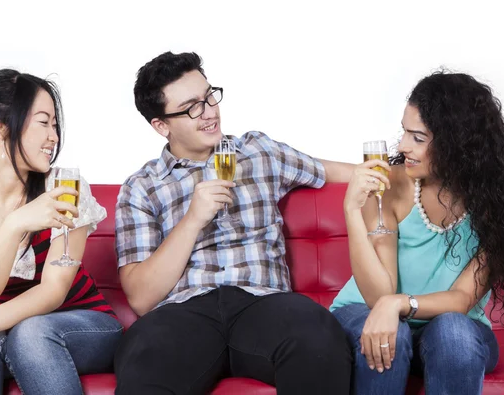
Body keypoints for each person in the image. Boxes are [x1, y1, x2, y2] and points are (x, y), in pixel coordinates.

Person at [113, 51, 355, 394]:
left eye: (209, 96)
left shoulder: (259, 151)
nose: (210, 112)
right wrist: (193, 220)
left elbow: (337, 172)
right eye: (192, 107)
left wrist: (409, 173)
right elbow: (140, 297)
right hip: (184, 312)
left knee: (318, 336)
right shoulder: (142, 187)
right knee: (143, 363)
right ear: (161, 125)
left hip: (264, 301)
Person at [0, 69, 123, 394]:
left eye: (55, 125)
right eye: (43, 123)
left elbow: (54, 291)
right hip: (8, 328)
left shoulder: (64, 189)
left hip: (85, 323)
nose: (54, 137)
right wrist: (16, 225)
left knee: (22, 331)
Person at [330, 71, 504, 394]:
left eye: (418, 138)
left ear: (458, 144)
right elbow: (379, 295)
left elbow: (461, 299)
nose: (402, 146)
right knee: (395, 334)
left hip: (448, 326)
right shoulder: (392, 185)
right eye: (404, 132)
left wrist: (398, 304)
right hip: (367, 312)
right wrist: (351, 211)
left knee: (454, 333)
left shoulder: (498, 202)